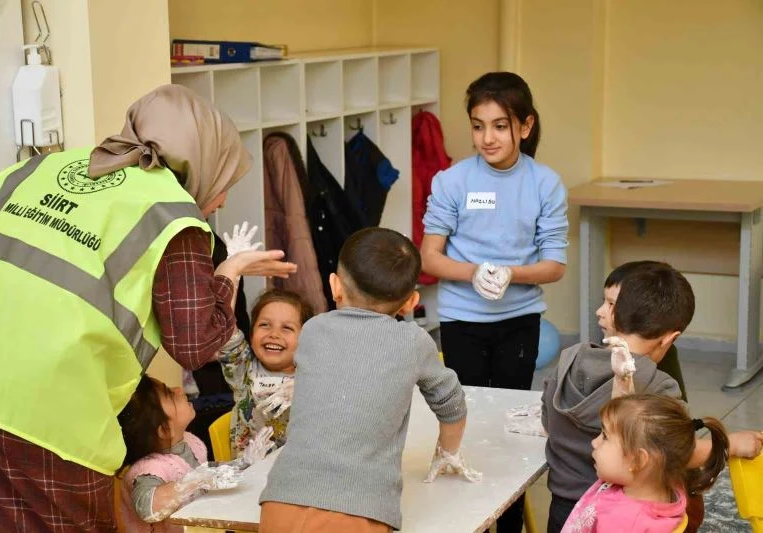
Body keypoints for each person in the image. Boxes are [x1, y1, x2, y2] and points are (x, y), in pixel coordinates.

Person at [0, 84, 296, 532]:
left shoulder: (43, 167)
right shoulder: (171, 215)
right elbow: (196, 345)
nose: (220, 201)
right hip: (52, 415)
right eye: (224, 183)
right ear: (200, 162)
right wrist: (229, 272)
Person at [420, 70, 568, 532]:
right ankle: (464, 518)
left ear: (525, 126)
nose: (488, 138)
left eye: (500, 126)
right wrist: (473, 272)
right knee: (462, 417)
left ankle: (508, 522)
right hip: (461, 321)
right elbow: (429, 256)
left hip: (519, 320)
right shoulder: (452, 181)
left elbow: (555, 265)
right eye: (478, 126)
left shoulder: (545, 184)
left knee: (508, 425)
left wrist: (510, 274)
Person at [259, 227, 479, 533]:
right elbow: (451, 404)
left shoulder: (312, 330)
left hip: (281, 501)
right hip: (359, 510)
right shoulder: (412, 341)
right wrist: (448, 452)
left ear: (335, 286)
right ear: (411, 302)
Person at [543, 262, 763, 533]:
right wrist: (731, 444)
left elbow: (547, 422)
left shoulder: (569, 358)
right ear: (670, 338)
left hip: (564, 509)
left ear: (614, 314)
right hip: (623, 513)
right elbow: (675, 454)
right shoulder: (660, 388)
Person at [116, 375, 274, 531]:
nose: (179, 390)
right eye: (170, 394)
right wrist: (190, 483)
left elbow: (208, 472)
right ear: (164, 430)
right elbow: (146, 508)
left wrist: (244, 462)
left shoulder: (186, 441)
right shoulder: (149, 469)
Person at [563, 394, 729, 532]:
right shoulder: (661, 479)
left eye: (605, 436)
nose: (594, 443)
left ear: (638, 460)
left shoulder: (624, 524)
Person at [218, 288, 314, 456]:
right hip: (249, 470)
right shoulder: (243, 368)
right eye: (264, 325)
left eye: (287, 328)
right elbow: (225, 325)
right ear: (251, 334)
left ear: (305, 340)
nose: (274, 334)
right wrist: (233, 273)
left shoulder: (314, 377)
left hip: (296, 469)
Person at [596, 260, 688, 400]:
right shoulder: (592, 357)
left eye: (611, 304)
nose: (599, 312)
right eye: (604, 301)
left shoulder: (664, 358)